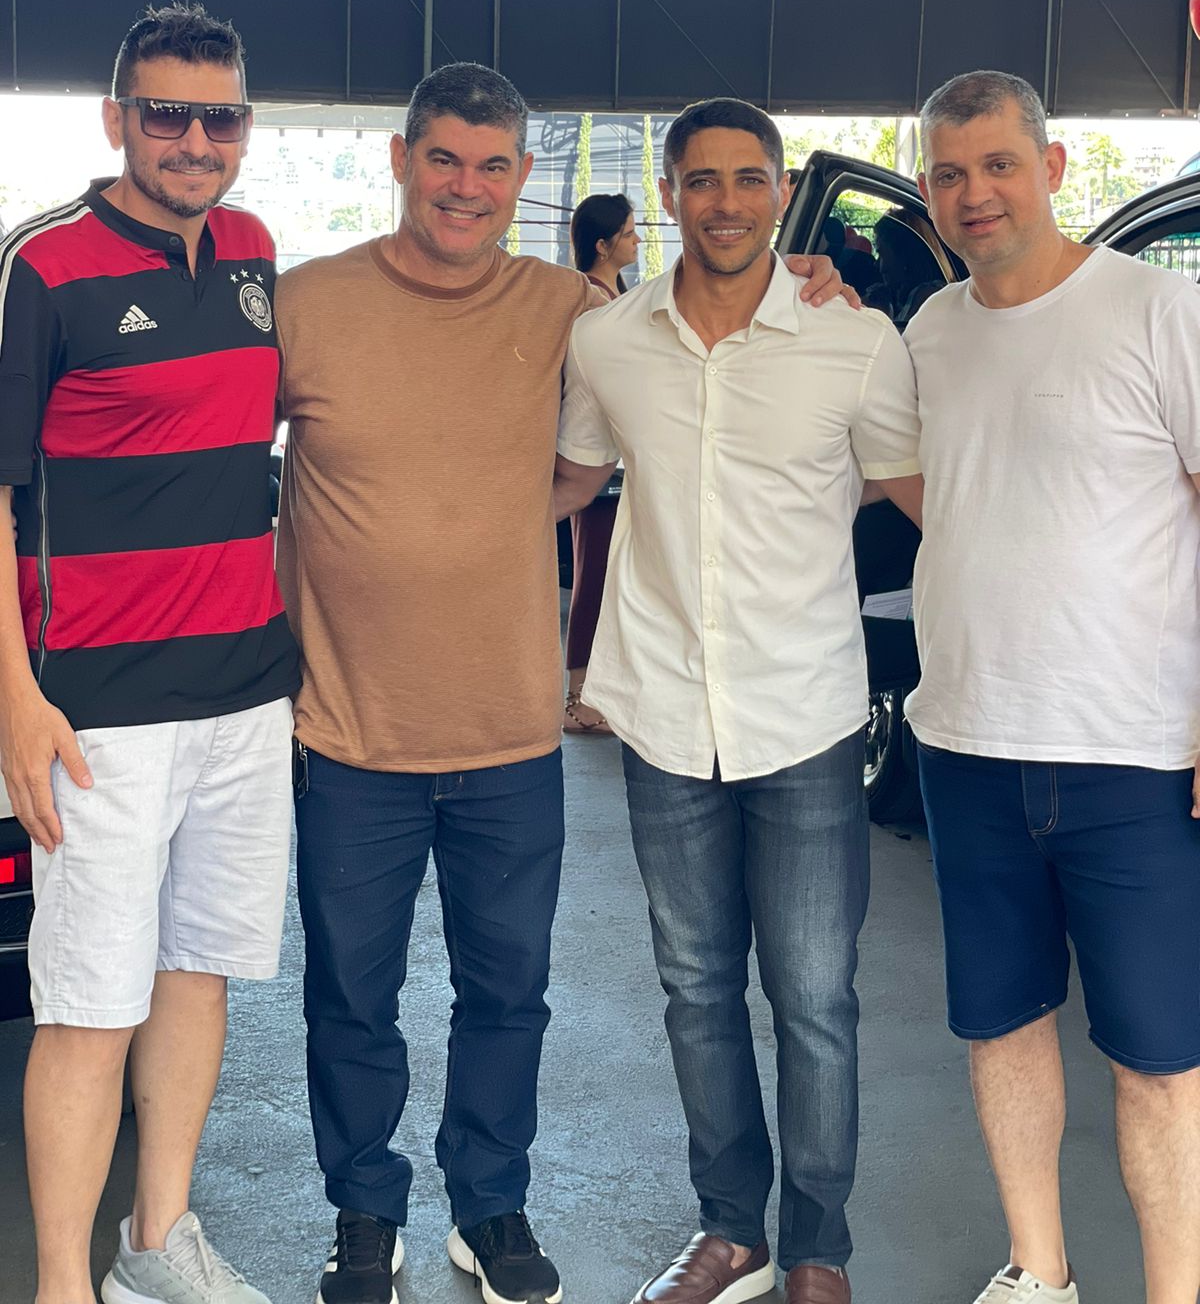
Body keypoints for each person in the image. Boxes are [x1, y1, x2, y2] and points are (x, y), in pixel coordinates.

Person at [274, 64, 851, 1304]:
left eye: (493, 166)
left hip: (508, 732)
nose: (466, 187)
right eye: (444, 159)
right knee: (351, 997)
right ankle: (364, 1210)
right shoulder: (306, 303)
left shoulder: (570, 312)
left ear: (524, 178)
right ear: (400, 159)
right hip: (351, 730)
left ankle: (490, 1204)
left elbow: (652, 376)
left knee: (509, 994)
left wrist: (809, 279)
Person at [553, 98, 924, 1304]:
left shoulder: (852, 340)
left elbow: (926, 495)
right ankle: (733, 1230)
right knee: (696, 988)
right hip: (663, 711)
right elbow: (571, 479)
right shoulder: (609, 341)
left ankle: (818, 1248)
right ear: (668, 192)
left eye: (748, 178)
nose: (725, 202)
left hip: (803, 711)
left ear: (778, 191)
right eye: (701, 180)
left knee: (815, 998)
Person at [0, 4, 298, 1304]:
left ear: (244, 126)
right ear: (118, 117)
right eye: (166, 112)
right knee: (86, 1009)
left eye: (218, 115)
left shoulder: (255, 250)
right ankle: (64, 1285)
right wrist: (14, 697)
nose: (193, 139)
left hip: (242, 695)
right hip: (98, 713)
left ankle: (156, 1244)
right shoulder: (44, 266)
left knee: (198, 973)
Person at [906, 69, 1200, 1304]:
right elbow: (931, 489)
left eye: (998, 164)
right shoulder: (929, 331)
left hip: (1134, 754)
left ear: (1053, 168)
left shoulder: (1158, 311)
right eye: (949, 174)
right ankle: (1039, 1271)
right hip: (966, 743)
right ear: (928, 193)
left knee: (1160, 1058)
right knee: (1002, 1022)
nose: (975, 193)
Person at [562, 192, 641, 734]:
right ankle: (578, 699)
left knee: (612, 578)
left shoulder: (616, 294)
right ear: (602, 244)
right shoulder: (590, 300)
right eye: (629, 233)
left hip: (618, 461)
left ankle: (598, 693)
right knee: (594, 577)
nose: (637, 241)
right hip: (598, 463)